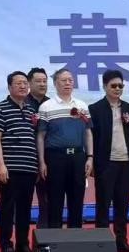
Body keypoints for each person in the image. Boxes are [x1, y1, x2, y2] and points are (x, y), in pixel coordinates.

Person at [0, 71, 39, 252]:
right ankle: (6, 245)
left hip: (29, 166)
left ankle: (23, 244)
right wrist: (1, 165)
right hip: (10, 167)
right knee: (8, 207)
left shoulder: (31, 110)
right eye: (18, 83)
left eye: (25, 83)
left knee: (25, 207)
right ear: (9, 86)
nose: (23, 86)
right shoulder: (0, 109)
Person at [90, 69, 129, 252]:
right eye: (113, 86)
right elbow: (92, 137)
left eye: (120, 86)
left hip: (126, 162)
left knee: (122, 204)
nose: (117, 89)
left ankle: (121, 240)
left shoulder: (127, 107)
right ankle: (101, 242)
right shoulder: (95, 108)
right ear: (105, 86)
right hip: (106, 162)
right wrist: (92, 161)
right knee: (103, 203)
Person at [36, 68, 92, 230]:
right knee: (55, 199)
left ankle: (75, 235)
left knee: (77, 198)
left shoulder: (81, 106)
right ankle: (55, 237)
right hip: (55, 158)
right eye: (63, 80)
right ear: (55, 83)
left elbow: (88, 133)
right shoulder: (46, 107)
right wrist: (42, 162)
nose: (68, 83)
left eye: (70, 80)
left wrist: (90, 157)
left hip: (77, 157)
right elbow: (40, 136)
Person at [26, 66, 51, 226]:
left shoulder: (52, 104)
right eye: (38, 81)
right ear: (29, 83)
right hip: (25, 159)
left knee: (47, 201)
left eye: (44, 81)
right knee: (22, 202)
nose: (42, 84)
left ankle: (45, 238)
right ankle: (20, 239)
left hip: (48, 160)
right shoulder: (22, 103)